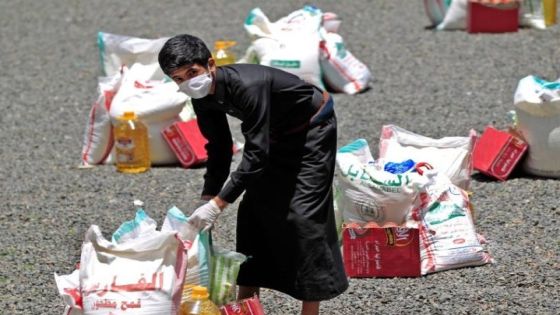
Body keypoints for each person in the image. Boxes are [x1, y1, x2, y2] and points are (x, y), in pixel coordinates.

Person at [158, 34, 348, 315]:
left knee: (303, 216)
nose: (187, 82)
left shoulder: (248, 85)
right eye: (178, 78)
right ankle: (247, 305)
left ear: (210, 64)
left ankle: (311, 310)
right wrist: (208, 196)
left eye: (192, 73)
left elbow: (256, 156)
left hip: (311, 130)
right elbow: (219, 146)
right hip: (274, 134)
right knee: (252, 214)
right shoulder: (200, 96)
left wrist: (219, 205)